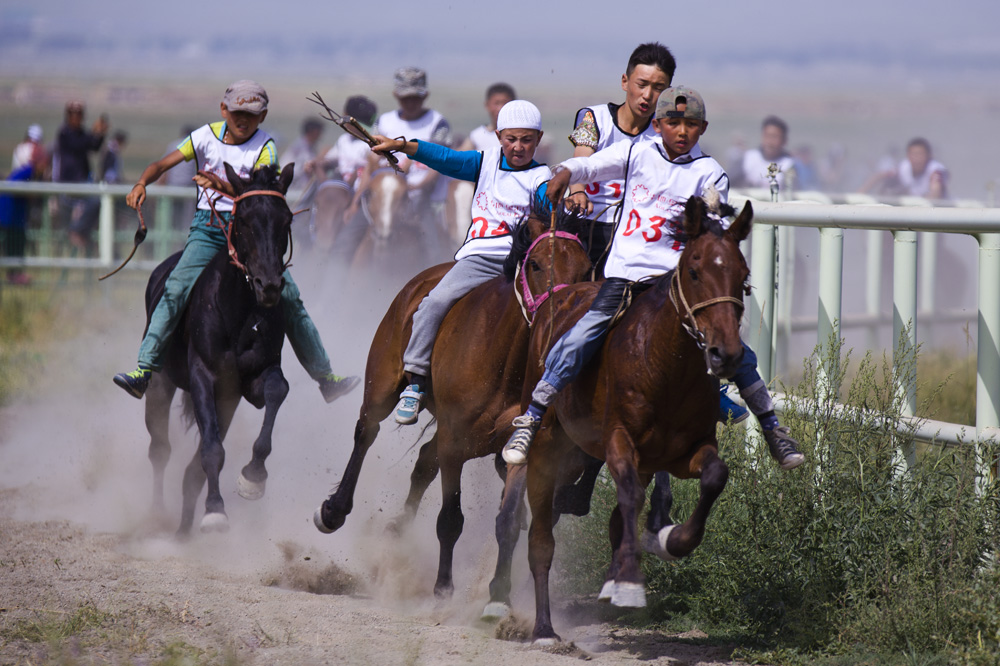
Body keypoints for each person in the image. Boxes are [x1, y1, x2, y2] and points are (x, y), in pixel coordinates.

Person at [501, 86, 805, 471]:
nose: (682, 131)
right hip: (625, 275)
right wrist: (566, 171)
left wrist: (711, 223)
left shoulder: (709, 173)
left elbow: (715, 217)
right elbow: (592, 165)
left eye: (691, 124)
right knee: (580, 334)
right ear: (658, 124)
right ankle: (533, 415)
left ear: (702, 128)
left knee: (734, 345)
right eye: (673, 122)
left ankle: (773, 429)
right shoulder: (636, 153)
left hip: (673, 283)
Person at [112, 80, 359, 403]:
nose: (244, 120)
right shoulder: (204, 137)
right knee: (175, 287)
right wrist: (143, 182)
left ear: (263, 115)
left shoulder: (265, 147)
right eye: (238, 112)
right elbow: (163, 164)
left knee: (290, 297)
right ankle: (144, 370)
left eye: (252, 115)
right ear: (224, 110)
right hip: (208, 229)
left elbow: (259, 192)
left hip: (250, 233)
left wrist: (219, 184)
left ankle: (325, 377)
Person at [367, 100, 551, 424]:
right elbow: (445, 159)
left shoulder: (543, 179)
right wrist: (403, 146)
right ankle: (416, 381)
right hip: (480, 259)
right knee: (434, 301)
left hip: (522, 263)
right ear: (498, 136)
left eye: (526, 140)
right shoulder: (486, 163)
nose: (518, 147)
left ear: (538, 139)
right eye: (511, 139)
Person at [563, 42, 675, 271]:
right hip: (587, 222)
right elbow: (581, 161)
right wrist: (577, 191)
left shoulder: (665, 134)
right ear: (625, 81)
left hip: (636, 231)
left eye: (658, 88)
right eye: (642, 84)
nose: (647, 95)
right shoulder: (592, 117)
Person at [372, 67, 453, 260]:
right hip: (385, 194)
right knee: (348, 233)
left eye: (415, 98)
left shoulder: (438, 123)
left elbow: (439, 164)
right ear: (395, 96)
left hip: (421, 195)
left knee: (432, 245)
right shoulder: (383, 122)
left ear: (425, 96)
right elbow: (373, 160)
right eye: (405, 98)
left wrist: (418, 186)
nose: (410, 103)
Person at [53, 101, 107, 252]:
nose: (77, 118)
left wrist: (100, 134)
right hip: (68, 182)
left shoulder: (82, 134)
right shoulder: (64, 133)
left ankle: (78, 231)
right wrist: (93, 133)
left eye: (80, 115)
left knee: (96, 201)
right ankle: (74, 232)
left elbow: (93, 146)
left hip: (82, 181)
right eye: (74, 114)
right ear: (68, 116)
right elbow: (79, 144)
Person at [859, 137, 949, 200]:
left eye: (920, 154)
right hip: (915, 210)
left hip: (937, 212)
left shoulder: (935, 170)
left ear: (929, 155)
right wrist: (859, 195)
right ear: (908, 155)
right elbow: (879, 176)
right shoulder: (904, 167)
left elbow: (935, 192)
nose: (916, 159)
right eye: (913, 155)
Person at [740, 115, 796, 191]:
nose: (770, 141)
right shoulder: (748, 159)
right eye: (767, 136)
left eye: (774, 137)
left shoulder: (789, 165)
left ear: (784, 140)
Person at [459, 83, 516, 151]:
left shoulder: (521, 135)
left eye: (505, 103)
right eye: (496, 103)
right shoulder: (477, 136)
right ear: (487, 105)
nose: (500, 108)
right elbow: (458, 158)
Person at [280, 117, 325, 194]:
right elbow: (308, 165)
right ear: (313, 132)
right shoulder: (301, 146)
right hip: (292, 186)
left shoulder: (309, 146)